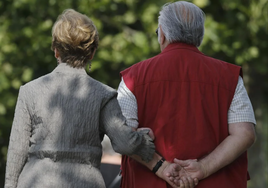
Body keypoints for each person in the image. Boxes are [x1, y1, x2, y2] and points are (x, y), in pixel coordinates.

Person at [4, 9, 182, 188]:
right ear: (92, 53)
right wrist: (143, 139)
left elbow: (16, 153)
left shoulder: (29, 91)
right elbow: (124, 144)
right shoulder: (103, 94)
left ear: (56, 51)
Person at [117, 1, 256, 188]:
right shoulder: (229, 77)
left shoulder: (132, 78)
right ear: (199, 37)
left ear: (162, 35)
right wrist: (203, 168)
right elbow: (245, 134)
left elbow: (124, 137)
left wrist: (162, 166)